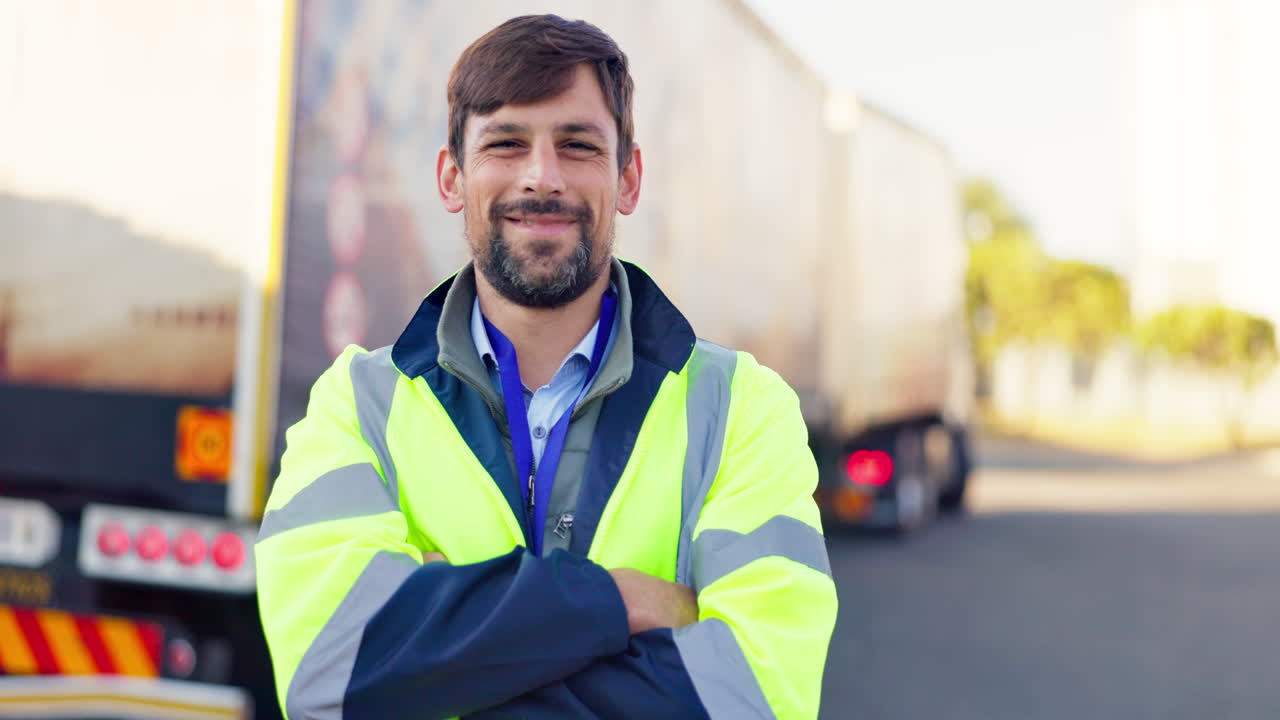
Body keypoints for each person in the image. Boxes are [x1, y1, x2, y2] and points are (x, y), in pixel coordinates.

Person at [256, 14, 837, 720]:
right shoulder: (358, 405)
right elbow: (331, 670)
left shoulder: (740, 410)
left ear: (627, 178)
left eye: (578, 145)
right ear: (452, 177)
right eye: (505, 143)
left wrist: (446, 654)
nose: (542, 177)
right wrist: (624, 602)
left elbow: (756, 698)